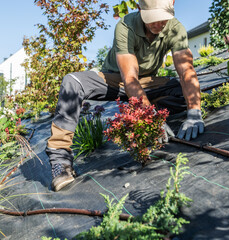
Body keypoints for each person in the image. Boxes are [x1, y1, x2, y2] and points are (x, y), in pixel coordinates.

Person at [46, 0, 204, 192]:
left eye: (162, 19)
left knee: (181, 91)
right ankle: (60, 160)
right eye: (152, 19)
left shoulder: (175, 29)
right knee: (71, 81)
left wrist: (195, 112)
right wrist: (150, 117)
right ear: (140, 9)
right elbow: (129, 78)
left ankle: (141, 110)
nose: (158, 24)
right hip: (114, 79)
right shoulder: (126, 25)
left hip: (147, 82)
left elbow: (186, 70)